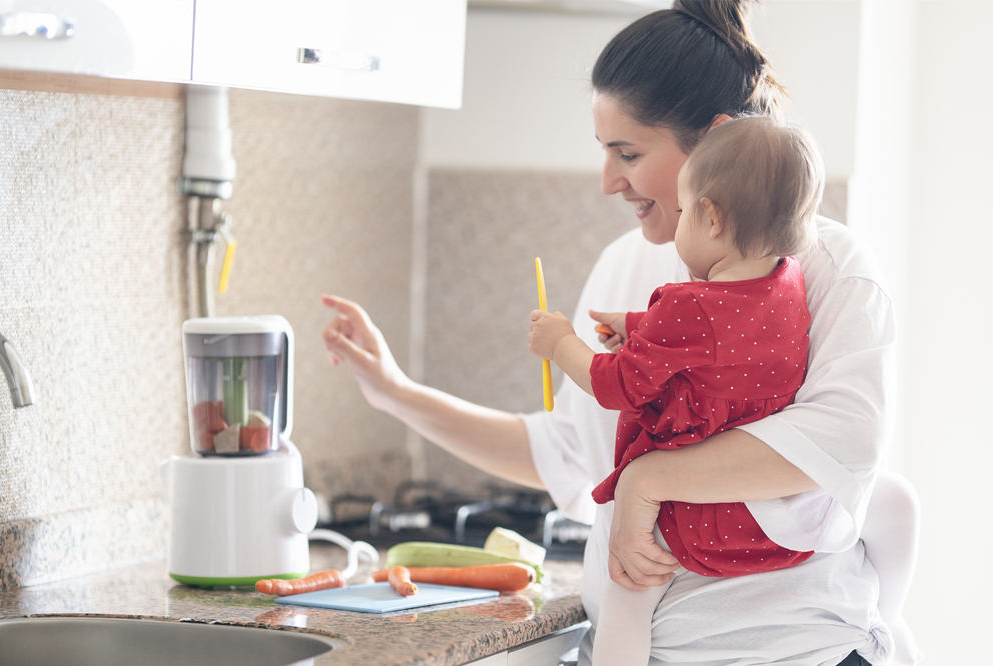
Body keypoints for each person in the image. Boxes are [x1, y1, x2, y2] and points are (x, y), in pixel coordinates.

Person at [320, 1, 919, 663]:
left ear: (714, 141)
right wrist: (396, 393)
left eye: (627, 152)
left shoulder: (830, 268)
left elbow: (841, 442)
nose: (609, 181)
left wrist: (648, 480)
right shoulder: (625, 264)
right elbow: (572, 453)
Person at [527, 116, 824, 665]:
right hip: (770, 521)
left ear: (711, 218)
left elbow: (612, 384)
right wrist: (641, 327)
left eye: (685, 211)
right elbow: (725, 342)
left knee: (625, 592)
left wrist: (560, 342)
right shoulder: (787, 282)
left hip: (691, 516)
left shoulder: (687, 304)